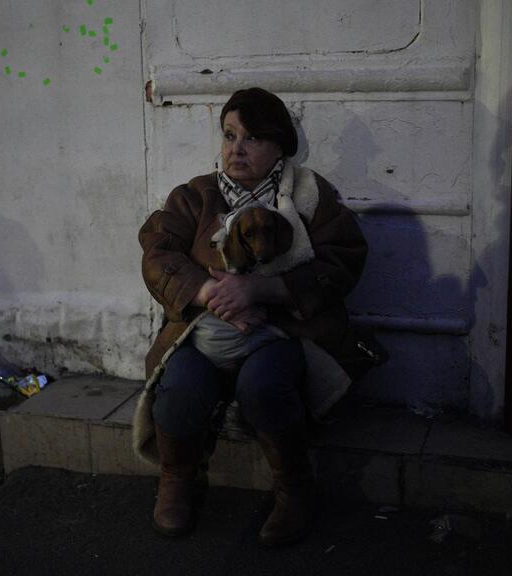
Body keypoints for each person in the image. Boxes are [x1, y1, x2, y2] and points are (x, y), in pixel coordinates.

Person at [134, 87, 370, 546]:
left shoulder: (308, 194)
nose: (236, 148)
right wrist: (207, 291)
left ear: (279, 145)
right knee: (180, 385)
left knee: (264, 385)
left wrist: (263, 289)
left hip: (279, 333)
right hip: (199, 334)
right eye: (229, 135)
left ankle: (295, 490)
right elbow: (157, 253)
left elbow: (344, 260)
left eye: (252, 137)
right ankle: (179, 481)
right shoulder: (194, 197)